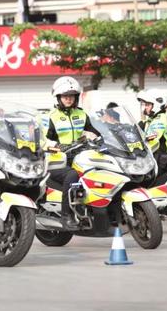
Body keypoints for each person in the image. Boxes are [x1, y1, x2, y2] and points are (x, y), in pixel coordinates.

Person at [46, 76, 100, 230]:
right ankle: (66, 215)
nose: (68, 99)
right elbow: (43, 139)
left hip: (79, 156)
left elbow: (97, 130)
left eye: (72, 96)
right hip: (58, 161)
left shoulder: (82, 114)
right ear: (59, 98)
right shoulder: (51, 116)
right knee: (72, 175)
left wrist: (105, 137)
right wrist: (57, 145)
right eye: (65, 96)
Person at [136, 89, 167, 173]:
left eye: (148, 105)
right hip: (155, 157)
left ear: (156, 104)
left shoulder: (160, 120)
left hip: (160, 159)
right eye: (145, 104)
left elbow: (151, 141)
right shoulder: (152, 119)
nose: (145, 107)